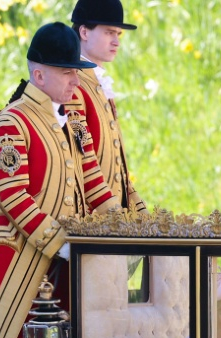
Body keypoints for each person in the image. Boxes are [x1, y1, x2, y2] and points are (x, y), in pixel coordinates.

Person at [0, 22, 120, 338]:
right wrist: (63, 246)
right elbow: (14, 198)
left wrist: (127, 230)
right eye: (67, 72)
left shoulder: (72, 121)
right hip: (20, 265)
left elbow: (94, 183)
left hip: (62, 263)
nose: (76, 81)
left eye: (77, 71)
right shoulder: (12, 123)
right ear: (39, 75)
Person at [71, 0, 146, 212]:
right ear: (84, 32)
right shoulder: (73, 85)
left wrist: (139, 212)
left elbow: (118, 169)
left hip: (109, 216)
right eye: (109, 33)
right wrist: (115, 215)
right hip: (89, 220)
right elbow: (83, 161)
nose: (116, 42)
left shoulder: (97, 83)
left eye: (118, 34)